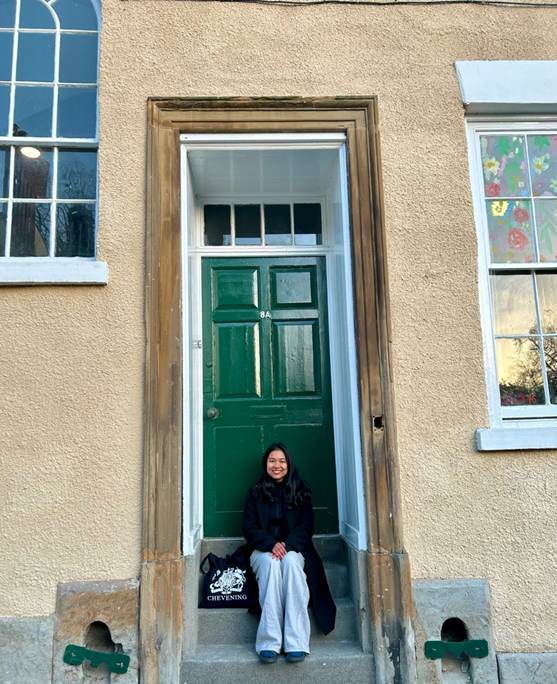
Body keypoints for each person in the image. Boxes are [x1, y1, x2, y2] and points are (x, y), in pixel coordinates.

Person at [242, 442, 336, 664]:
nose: (277, 465)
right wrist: (270, 544)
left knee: (292, 564)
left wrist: (287, 545)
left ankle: (296, 642)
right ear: (265, 464)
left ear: (289, 464)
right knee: (270, 564)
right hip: (263, 550)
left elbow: (307, 527)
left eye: (282, 461)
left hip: (295, 548)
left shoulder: (301, 490)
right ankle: (269, 642)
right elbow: (249, 528)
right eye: (272, 461)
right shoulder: (255, 492)